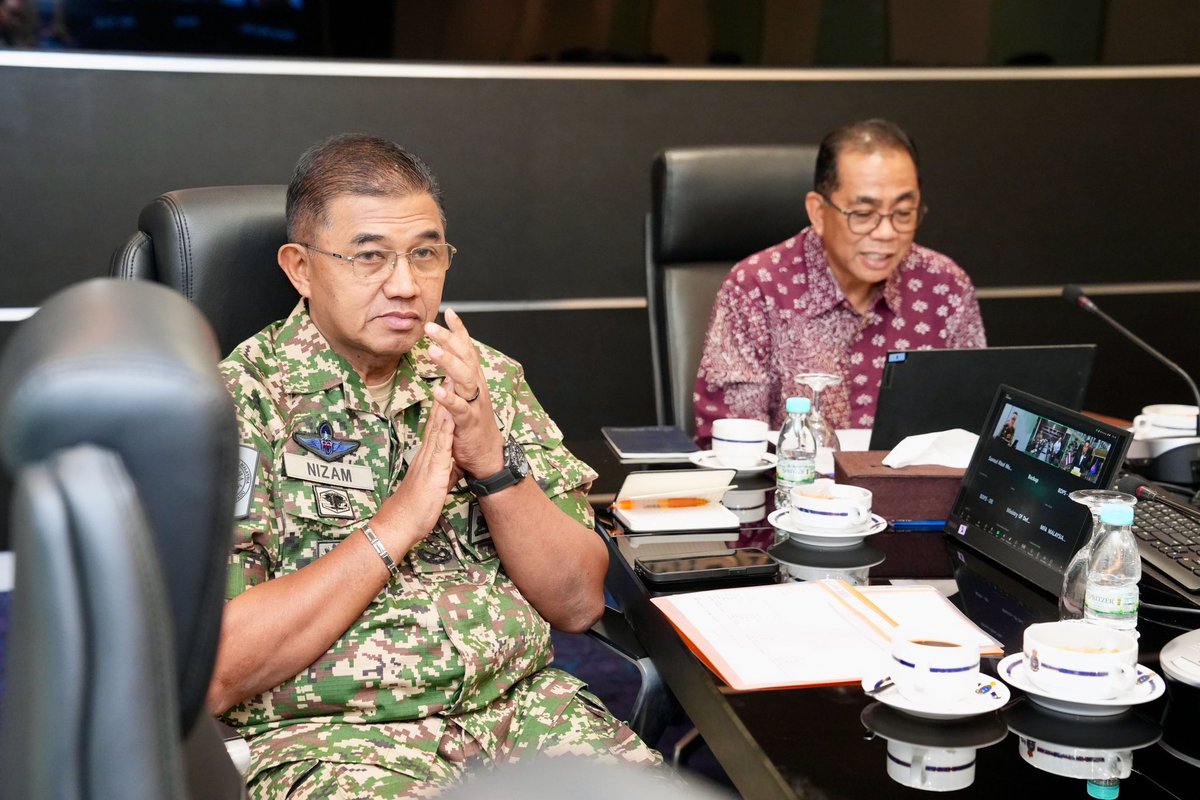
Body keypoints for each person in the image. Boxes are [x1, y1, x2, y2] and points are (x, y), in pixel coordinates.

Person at [210, 134, 660, 798]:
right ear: (301, 268)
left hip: (527, 714)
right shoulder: (237, 404)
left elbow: (577, 602)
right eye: (369, 257)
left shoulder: (486, 382)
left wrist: (493, 466)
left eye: (425, 254)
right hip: (340, 742)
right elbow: (220, 665)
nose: (405, 285)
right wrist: (394, 527)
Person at [693, 119, 986, 443]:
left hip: (912, 491)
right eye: (863, 215)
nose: (886, 233)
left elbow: (971, 430)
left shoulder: (945, 288)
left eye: (903, 213)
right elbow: (733, 444)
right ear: (818, 212)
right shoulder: (756, 288)